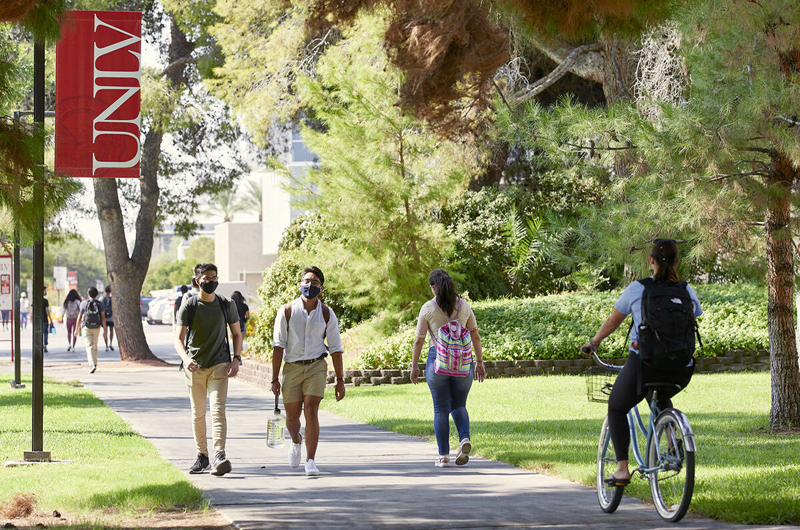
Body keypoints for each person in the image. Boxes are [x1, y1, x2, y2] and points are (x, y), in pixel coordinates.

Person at [581, 239, 702, 486]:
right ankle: (671, 442)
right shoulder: (686, 290)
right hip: (682, 368)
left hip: (645, 364)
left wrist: (594, 343)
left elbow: (612, 322)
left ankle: (622, 470)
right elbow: (695, 314)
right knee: (659, 391)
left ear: (651, 261)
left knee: (616, 406)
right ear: (678, 261)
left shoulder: (638, 289)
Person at [272, 266, 346, 477]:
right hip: (292, 367)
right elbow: (278, 346)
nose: (309, 285)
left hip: (316, 366)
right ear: (299, 285)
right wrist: (274, 378)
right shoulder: (286, 311)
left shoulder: (326, 313)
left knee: (311, 410)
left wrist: (340, 380)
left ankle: (310, 460)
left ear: (321, 288)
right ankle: (296, 440)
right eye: (306, 281)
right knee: (292, 418)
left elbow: (335, 348)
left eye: (314, 282)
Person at [410, 269, 486, 468]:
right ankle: (464, 439)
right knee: (459, 405)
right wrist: (479, 363)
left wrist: (414, 366)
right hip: (463, 362)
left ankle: (443, 456)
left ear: (433, 287)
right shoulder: (464, 306)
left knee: (440, 408)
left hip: (438, 361)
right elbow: (475, 336)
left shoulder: (428, 308)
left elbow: (419, 340)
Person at [175, 263, 243, 477]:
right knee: (198, 413)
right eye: (206, 278)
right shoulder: (189, 305)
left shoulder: (226, 304)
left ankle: (219, 456)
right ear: (197, 281)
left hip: (220, 364)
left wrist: (236, 359)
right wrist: (186, 360)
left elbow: (237, 334)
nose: (211, 281)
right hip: (195, 367)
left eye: (214, 277)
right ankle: (202, 456)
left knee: (217, 409)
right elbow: (178, 339)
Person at [75, 286, 108, 374]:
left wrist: (76, 329)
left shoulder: (83, 303)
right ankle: (95, 363)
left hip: (86, 327)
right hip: (96, 327)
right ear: (97, 294)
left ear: (88, 294)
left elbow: (80, 317)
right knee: (95, 346)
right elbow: (103, 317)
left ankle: (92, 364)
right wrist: (105, 330)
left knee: (89, 346)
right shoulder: (100, 303)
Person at [101, 285, 115, 351]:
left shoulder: (102, 299)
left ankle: (106, 346)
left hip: (104, 318)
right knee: (111, 330)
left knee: (105, 331)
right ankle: (111, 344)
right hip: (111, 317)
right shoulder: (112, 299)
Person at [41, 287, 52, 352]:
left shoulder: (35, 300)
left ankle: (40, 344)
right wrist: (50, 319)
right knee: (45, 333)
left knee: (40, 332)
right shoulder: (45, 301)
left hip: (38, 320)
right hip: (44, 319)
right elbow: (47, 311)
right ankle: (45, 344)